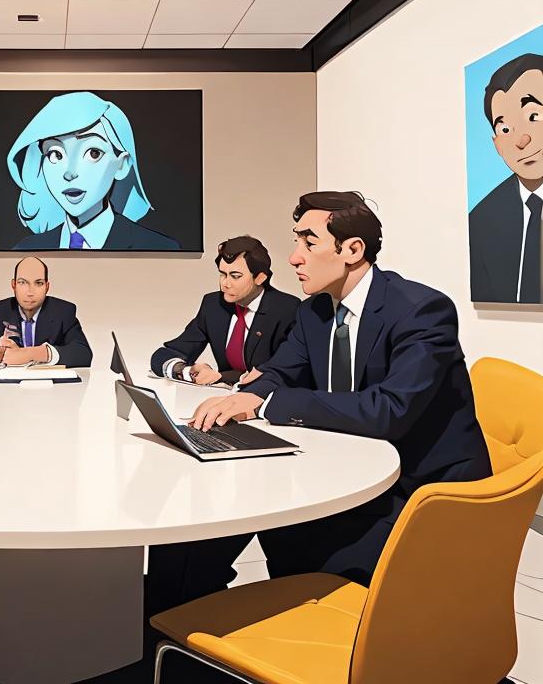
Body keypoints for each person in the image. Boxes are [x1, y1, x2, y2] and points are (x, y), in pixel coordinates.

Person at [149, 191, 492, 612]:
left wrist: (266, 403)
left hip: (417, 491)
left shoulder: (421, 310)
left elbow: (388, 411)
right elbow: (278, 372)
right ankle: (173, 630)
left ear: (352, 250)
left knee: (289, 533)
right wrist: (247, 395)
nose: (294, 258)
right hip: (349, 468)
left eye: (308, 243)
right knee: (196, 532)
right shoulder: (314, 313)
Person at [7, 91, 179, 251]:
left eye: (93, 153)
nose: (70, 173)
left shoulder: (159, 248)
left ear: (122, 164)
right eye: (55, 155)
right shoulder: (26, 251)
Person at [150, 235, 300, 386]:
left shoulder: (286, 309)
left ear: (260, 278)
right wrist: (184, 371)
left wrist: (220, 377)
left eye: (235, 276)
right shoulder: (213, 305)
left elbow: (282, 371)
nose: (225, 284)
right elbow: (167, 353)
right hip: (222, 397)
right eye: (222, 274)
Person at [469, 53, 543, 303]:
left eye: (533, 116)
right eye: (505, 129)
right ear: (497, 145)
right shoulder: (480, 220)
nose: (522, 140)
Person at [0, 256, 93, 367]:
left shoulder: (63, 312)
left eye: (38, 283)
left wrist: (33, 353)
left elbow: (83, 354)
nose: (30, 292)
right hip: (7, 391)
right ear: (13, 285)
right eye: (23, 282)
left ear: (47, 287)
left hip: (50, 391)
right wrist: (0, 353)